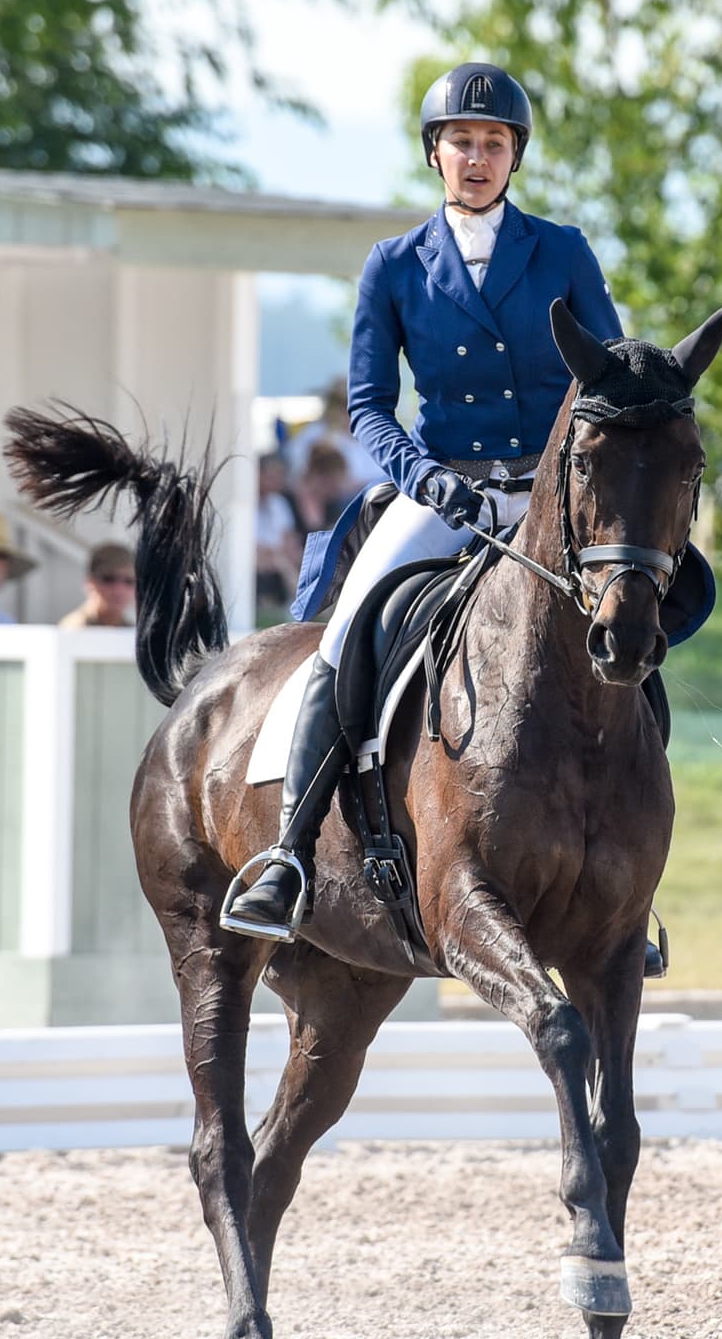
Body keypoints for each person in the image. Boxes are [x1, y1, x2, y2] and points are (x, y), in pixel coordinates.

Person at [224, 60, 641, 948]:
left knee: (627, 638)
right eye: (463, 142)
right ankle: (291, 852)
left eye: (495, 143)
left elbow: (609, 379)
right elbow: (369, 404)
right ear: (436, 154)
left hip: (549, 495)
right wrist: (421, 475)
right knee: (344, 639)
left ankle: (629, 883)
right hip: (442, 485)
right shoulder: (395, 266)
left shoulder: (562, 251)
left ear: (514, 156)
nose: (478, 157)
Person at [255, 453, 304, 613]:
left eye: (280, 476)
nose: (277, 481)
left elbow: (288, 538)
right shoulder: (244, 503)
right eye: (272, 475)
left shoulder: (279, 503)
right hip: (259, 560)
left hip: (278, 558)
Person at [58, 541, 137, 629]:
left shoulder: (131, 630)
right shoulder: (75, 628)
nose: (119, 590)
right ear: (90, 583)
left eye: (129, 581)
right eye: (109, 579)